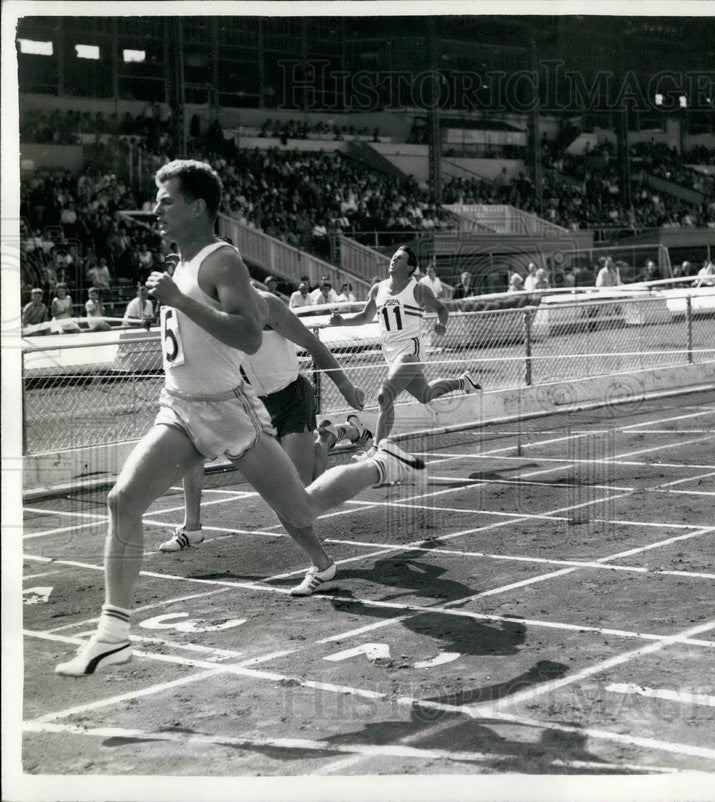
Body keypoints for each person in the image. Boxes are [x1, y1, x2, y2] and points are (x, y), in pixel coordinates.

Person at [55, 160, 425, 677]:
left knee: (302, 510)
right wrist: (176, 297)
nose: (156, 207)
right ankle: (114, 632)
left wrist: (181, 300)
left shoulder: (221, 261)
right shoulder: (178, 266)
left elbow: (250, 336)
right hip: (181, 407)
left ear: (199, 205)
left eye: (166, 199)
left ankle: (378, 464)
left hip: (231, 410)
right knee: (123, 500)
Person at [162, 282, 369, 552]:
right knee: (192, 445)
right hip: (250, 404)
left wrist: (345, 386)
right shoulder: (207, 314)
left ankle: (328, 439)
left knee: (299, 498)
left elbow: (311, 343)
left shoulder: (267, 304)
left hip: (291, 398)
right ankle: (192, 527)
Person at [330, 245, 482, 450]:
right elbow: (366, 316)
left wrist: (441, 324)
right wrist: (342, 322)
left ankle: (377, 451)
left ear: (410, 268)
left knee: (385, 395)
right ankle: (463, 382)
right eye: (393, 257)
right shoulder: (378, 289)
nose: (393, 260)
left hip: (411, 350)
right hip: (390, 353)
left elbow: (441, 308)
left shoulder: (418, 290)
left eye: (400, 259)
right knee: (425, 395)